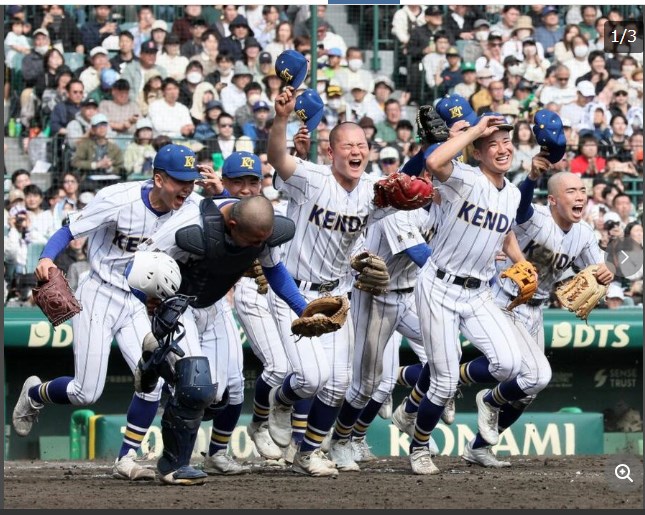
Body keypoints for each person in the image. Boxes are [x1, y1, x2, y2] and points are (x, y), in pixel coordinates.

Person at [12, 144, 204, 483]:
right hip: (98, 292)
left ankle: (125, 458)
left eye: (190, 179)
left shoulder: (190, 205)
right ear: (158, 178)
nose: (186, 187)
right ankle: (34, 393)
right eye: (179, 180)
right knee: (86, 392)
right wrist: (46, 257)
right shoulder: (119, 198)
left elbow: (225, 212)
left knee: (151, 381)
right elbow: (69, 229)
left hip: (135, 301)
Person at [265, 87, 403, 477]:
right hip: (294, 287)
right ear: (331, 152)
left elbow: (413, 190)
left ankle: (307, 454)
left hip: (337, 295)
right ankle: (281, 397)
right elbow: (277, 157)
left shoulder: (374, 191)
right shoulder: (311, 178)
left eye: (362, 145)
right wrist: (282, 118)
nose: (356, 151)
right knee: (310, 378)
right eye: (348, 145)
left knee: (339, 383)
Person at [132, 191, 312, 484]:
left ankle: (155, 362)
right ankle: (173, 466)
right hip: (178, 303)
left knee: (216, 398)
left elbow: (275, 271)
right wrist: (147, 301)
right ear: (231, 225)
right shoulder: (190, 225)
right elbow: (138, 264)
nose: (259, 247)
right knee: (195, 385)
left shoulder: (261, 231)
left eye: (262, 241)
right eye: (254, 241)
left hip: (213, 304)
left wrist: (303, 309)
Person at [405, 110, 533, 475]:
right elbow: (432, 160)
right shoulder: (463, 177)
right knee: (442, 383)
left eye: (507, 141)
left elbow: (504, 232)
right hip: (439, 285)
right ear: (477, 153)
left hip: (478, 291)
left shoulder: (511, 193)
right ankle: (418, 446)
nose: (503, 148)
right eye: (493, 144)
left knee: (509, 364)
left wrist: (519, 261)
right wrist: (476, 129)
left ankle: (471, 390)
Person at [458, 169, 613, 467]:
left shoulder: (583, 233)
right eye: (571, 191)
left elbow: (599, 269)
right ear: (553, 200)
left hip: (536, 309)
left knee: (526, 393)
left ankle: (478, 447)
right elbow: (521, 206)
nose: (579, 195)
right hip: (505, 302)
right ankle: (488, 399)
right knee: (537, 377)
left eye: (582, 190)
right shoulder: (537, 217)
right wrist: (531, 179)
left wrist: (608, 274)